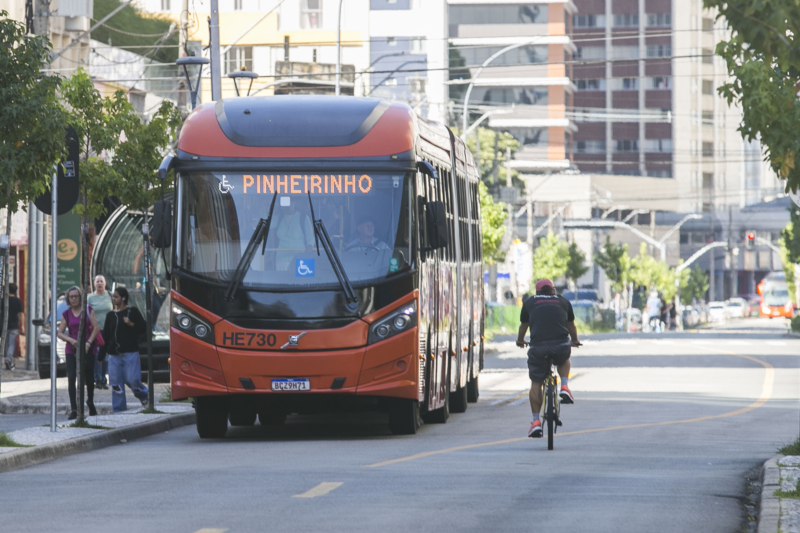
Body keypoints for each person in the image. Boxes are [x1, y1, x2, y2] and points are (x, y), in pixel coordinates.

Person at [516, 279, 581, 438]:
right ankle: (564, 386)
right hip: (560, 346)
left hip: (538, 348)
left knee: (536, 383)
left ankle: (535, 422)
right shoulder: (563, 301)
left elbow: (523, 326)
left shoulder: (529, 303)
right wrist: (574, 341)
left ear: (537, 292)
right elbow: (571, 325)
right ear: (553, 290)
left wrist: (520, 341)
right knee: (564, 357)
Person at [99, 287, 148, 412]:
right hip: (114, 355)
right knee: (116, 384)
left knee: (133, 379)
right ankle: (119, 410)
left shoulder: (132, 311)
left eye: (116, 297)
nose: (113, 299)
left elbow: (144, 328)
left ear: (123, 298)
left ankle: (144, 396)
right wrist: (101, 354)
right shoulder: (110, 315)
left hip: (130, 352)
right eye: (113, 297)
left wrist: (131, 324)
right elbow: (106, 336)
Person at [56, 286, 100, 419]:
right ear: (68, 299)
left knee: (89, 377)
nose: (74, 299)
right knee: (71, 378)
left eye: (76, 296)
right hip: (71, 349)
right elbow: (60, 333)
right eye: (71, 297)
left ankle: (90, 402)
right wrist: (71, 340)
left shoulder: (87, 310)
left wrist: (88, 343)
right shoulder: (66, 314)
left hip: (87, 348)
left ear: (81, 297)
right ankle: (74, 409)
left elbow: (96, 328)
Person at [87, 275, 112, 389]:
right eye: (97, 281)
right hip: (95, 330)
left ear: (105, 283)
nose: (99, 283)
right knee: (97, 354)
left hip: (108, 330)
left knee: (106, 356)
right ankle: (97, 379)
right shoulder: (90, 298)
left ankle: (103, 378)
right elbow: (87, 313)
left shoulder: (110, 295)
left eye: (101, 281)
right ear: (94, 284)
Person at [274, 200, 314, 270]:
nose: (286, 206)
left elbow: (311, 241)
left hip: (301, 260)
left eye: (289, 203)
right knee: (281, 280)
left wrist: (306, 258)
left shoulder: (304, 218)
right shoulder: (278, 218)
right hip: (281, 259)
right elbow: (265, 223)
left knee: (303, 281)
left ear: (295, 203)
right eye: (284, 204)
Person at [1, 283, 25, 370]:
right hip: (14, 325)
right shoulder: (18, 301)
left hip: (4, 325)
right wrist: (22, 326)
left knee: (7, 343)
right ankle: (8, 359)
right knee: (12, 344)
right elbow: (21, 314)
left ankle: (9, 361)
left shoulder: (3, 300)